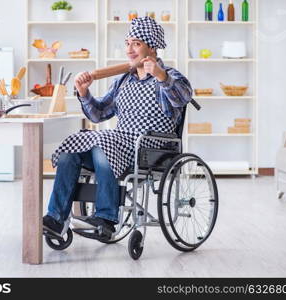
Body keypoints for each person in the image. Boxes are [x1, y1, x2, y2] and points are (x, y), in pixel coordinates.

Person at [43, 16, 194, 238]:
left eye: (136, 43)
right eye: (127, 43)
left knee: (102, 143)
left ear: (151, 47)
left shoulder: (171, 76)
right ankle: (56, 219)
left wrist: (160, 75)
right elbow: (99, 113)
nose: (129, 50)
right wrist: (84, 92)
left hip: (151, 147)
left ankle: (106, 218)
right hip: (118, 143)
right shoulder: (124, 80)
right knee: (71, 150)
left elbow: (183, 96)